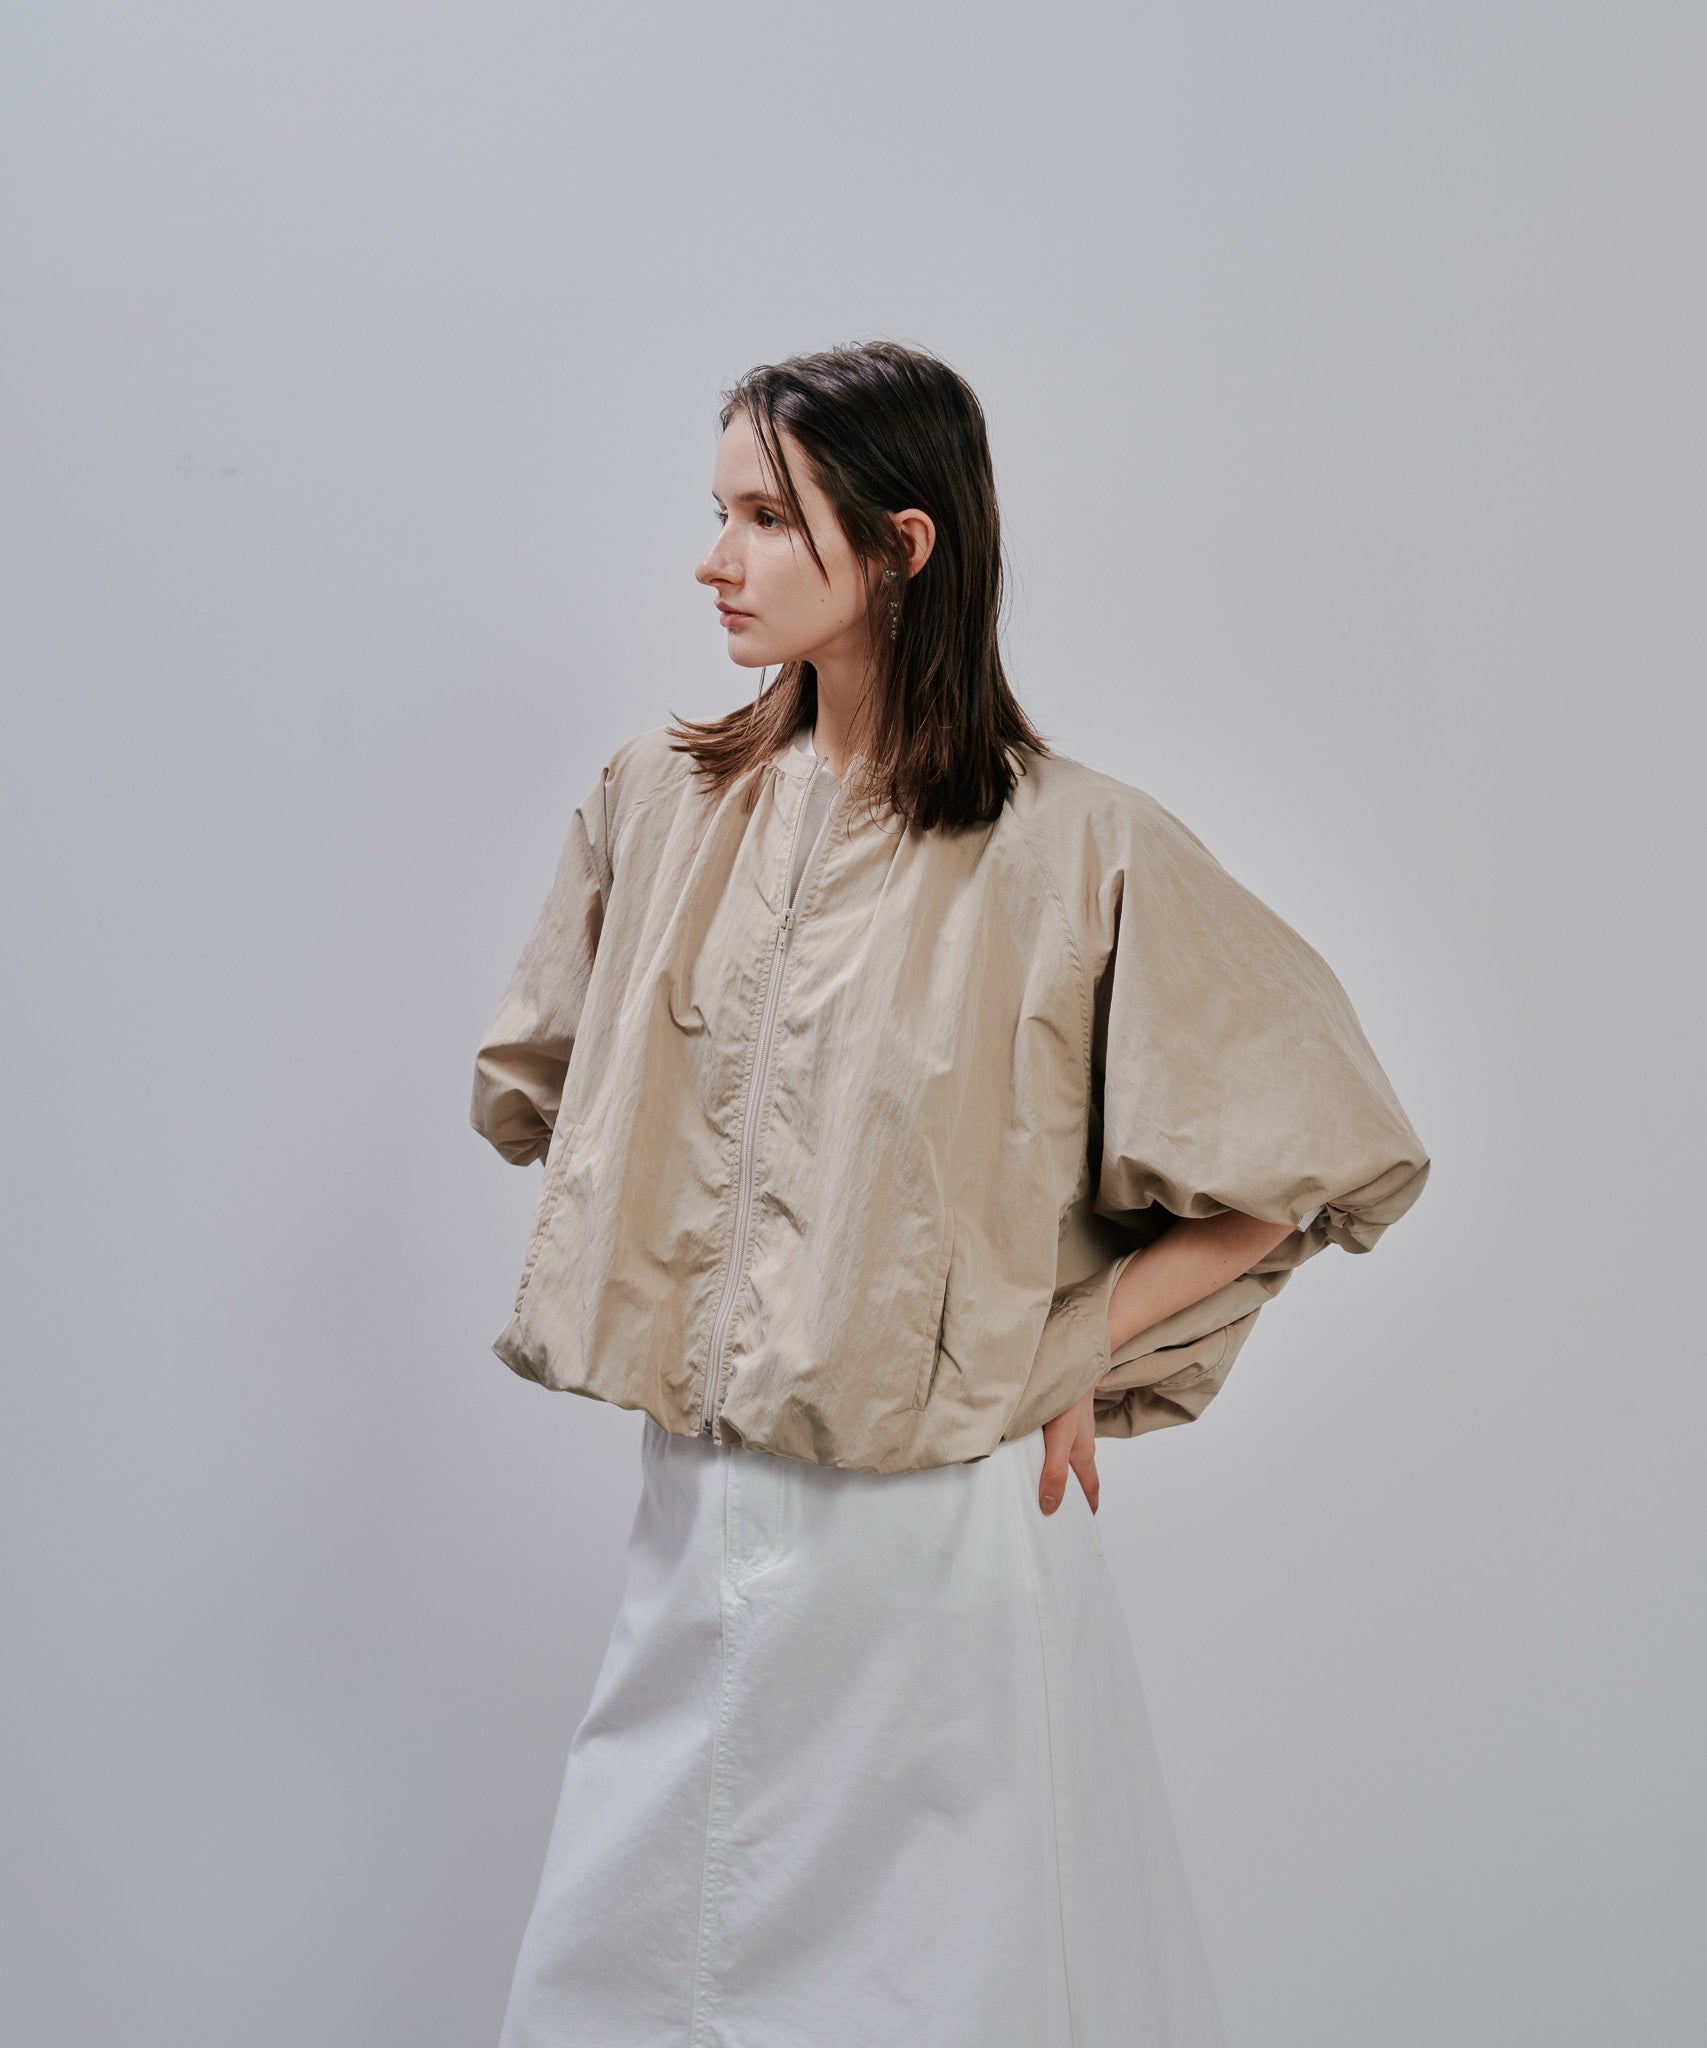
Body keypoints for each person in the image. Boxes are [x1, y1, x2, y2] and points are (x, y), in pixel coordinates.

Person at [470, 340, 1430, 2048]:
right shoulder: (656, 803)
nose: (715, 560)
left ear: (904, 544)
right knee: (632, 1968)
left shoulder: (1078, 848)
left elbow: (1305, 1160)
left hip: (931, 1542)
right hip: (696, 1521)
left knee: (936, 1987)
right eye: (719, 512)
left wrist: (1066, 1344)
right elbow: (551, 1090)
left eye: (769, 518)